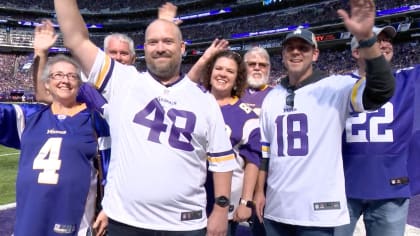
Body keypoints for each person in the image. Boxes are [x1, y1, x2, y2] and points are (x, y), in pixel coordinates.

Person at [54, 1, 236, 236]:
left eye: (168, 41)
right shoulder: (123, 81)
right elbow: (75, 39)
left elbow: (221, 160)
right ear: (144, 48)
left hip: (185, 226)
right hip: (126, 221)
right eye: (153, 42)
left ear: (182, 48)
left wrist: (221, 210)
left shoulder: (205, 100)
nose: (160, 48)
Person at [253, 0, 395, 235]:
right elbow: (266, 153)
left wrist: (368, 41)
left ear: (315, 54)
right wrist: (259, 192)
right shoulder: (272, 97)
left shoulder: (336, 87)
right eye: (291, 47)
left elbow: (381, 90)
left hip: (317, 213)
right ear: (283, 54)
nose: (296, 51)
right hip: (276, 210)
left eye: (303, 47)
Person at [0, 55, 110, 236]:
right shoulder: (30, 117)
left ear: (79, 84)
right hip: (28, 224)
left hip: (74, 225)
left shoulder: (95, 122)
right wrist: (40, 52)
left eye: (72, 76)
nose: (65, 80)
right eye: (58, 75)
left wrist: (108, 208)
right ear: (46, 84)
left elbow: (112, 169)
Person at [334, 25, 420, 236]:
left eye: (387, 40)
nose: (384, 44)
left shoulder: (409, 80)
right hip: (341, 187)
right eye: (375, 40)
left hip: (391, 188)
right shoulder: (337, 87)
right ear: (356, 52)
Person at [201, 50, 261, 236]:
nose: (222, 74)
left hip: (227, 202)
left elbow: (252, 161)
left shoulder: (246, 115)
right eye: (218, 68)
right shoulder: (194, 104)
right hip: (190, 200)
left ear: (237, 78)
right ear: (210, 71)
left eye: (230, 71)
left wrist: (245, 201)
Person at [241, 46, 273, 117]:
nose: (257, 68)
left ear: (268, 68)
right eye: (252, 64)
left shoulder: (276, 96)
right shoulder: (234, 93)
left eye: (262, 65)